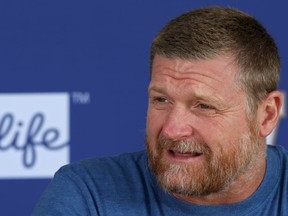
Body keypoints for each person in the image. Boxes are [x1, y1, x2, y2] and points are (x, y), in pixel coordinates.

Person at [33, 6, 287, 215]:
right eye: (161, 100)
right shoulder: (87, 195)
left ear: (266, 115)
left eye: (203, 106)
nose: (172, 129)